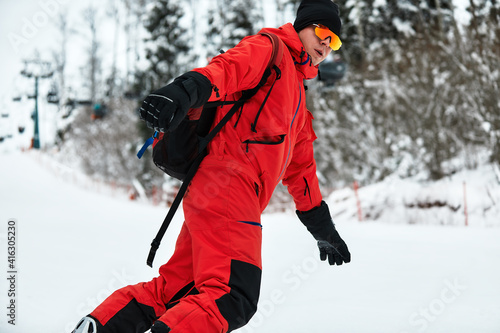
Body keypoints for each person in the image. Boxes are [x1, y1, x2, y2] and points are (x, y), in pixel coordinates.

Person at [71, 0, 350, 332]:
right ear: (302, 26)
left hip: (216, 196)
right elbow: (227, 69)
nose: (325, 44)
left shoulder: (299, 103)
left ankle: (98, 326)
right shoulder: (271, 49)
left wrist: (322, 226)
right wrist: (183, 92)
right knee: (232, 295)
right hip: (229, 183)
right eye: (321, 32)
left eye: (334, 40)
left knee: (176, 291)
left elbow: (301, 168)